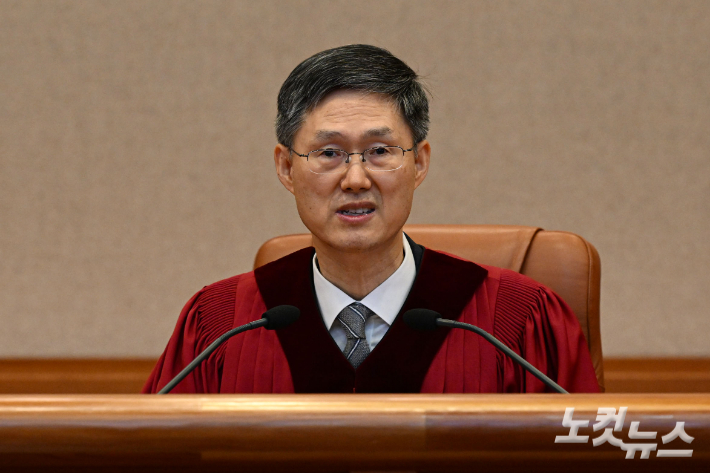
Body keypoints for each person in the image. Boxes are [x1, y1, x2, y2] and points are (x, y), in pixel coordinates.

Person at [143, 44, 599, 394]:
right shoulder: (219, 325)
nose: (356, 179)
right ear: (285, 167)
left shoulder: (516, 321)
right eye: (329, 153)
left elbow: (588, 454)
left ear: (419, 163)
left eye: (380, 151)